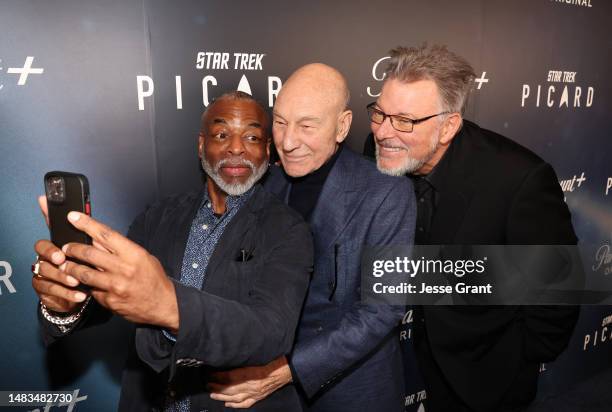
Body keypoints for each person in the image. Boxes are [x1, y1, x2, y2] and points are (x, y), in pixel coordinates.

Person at [32, 91, 313, 411]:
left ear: (266, 150)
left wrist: (170, 306)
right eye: (222, 134)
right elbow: (109, 297)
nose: (236, 148)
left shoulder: (288, 229)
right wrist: (66, 301)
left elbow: (270, 331)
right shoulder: (157, 216)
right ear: (201, 145)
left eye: (251, 136)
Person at [366, 44, 580, 411]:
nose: (384, 132)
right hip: (417, 357)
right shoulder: (382, 151)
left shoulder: (517, 179)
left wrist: (518, 360)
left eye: (404, 120)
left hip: (489, 377)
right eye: (380, 113)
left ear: (449, 125)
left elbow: (559, 288)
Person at [207, 63, 416, 411]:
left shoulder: (387, 192)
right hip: (272, 392)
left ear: (342, 126)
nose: (288, 142)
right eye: (280, 122)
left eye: (306, 126)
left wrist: (287, 370)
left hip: (352, 391)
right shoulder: (264, 184)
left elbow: (380, 313)